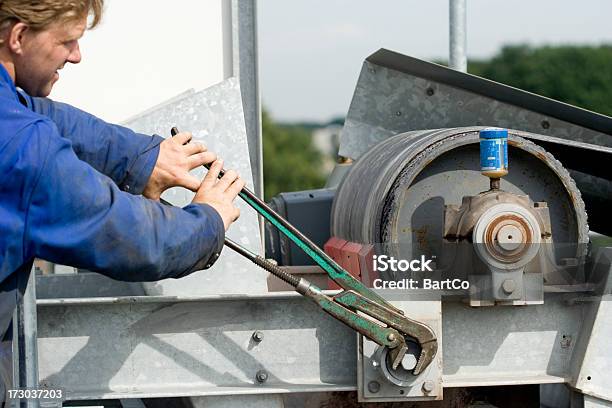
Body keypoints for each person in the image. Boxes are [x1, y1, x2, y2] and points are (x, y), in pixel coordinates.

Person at [0, 0, 246, 396]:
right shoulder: (21, 148)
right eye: (67, 41)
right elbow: (129, 237)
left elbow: (48, 118)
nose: (76, 57)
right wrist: (209, 218)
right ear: (18, 37)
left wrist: (142, 159)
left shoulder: (12, 116)